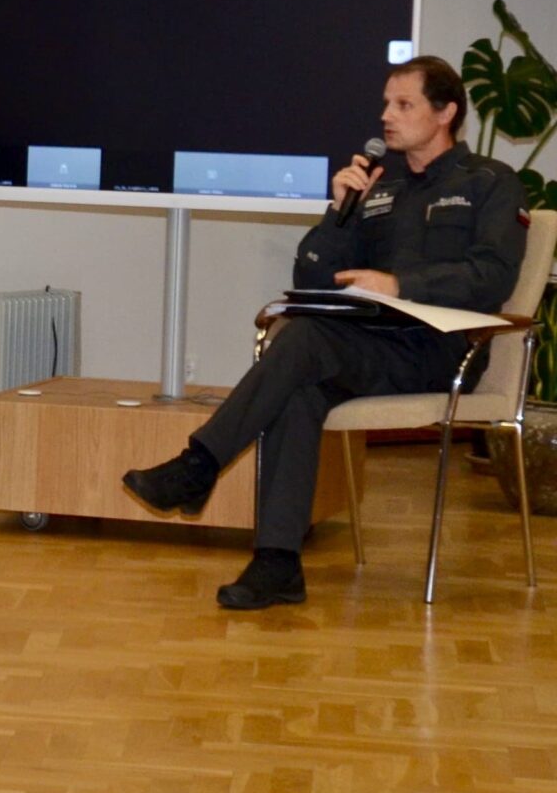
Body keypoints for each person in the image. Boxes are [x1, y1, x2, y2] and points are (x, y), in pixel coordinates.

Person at [124, 55, 526, 609]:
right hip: (368, 347)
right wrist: (339, 212)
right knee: (300, 389)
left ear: (445, 113)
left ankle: (199, 465)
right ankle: (277, 564)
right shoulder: (378, 189)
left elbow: (493, 276)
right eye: (386, 103)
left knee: (305, 343)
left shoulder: (490, 182)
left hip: (440, 351)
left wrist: (400, 283)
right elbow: (311, 277)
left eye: (403, 104)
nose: (386, 116)